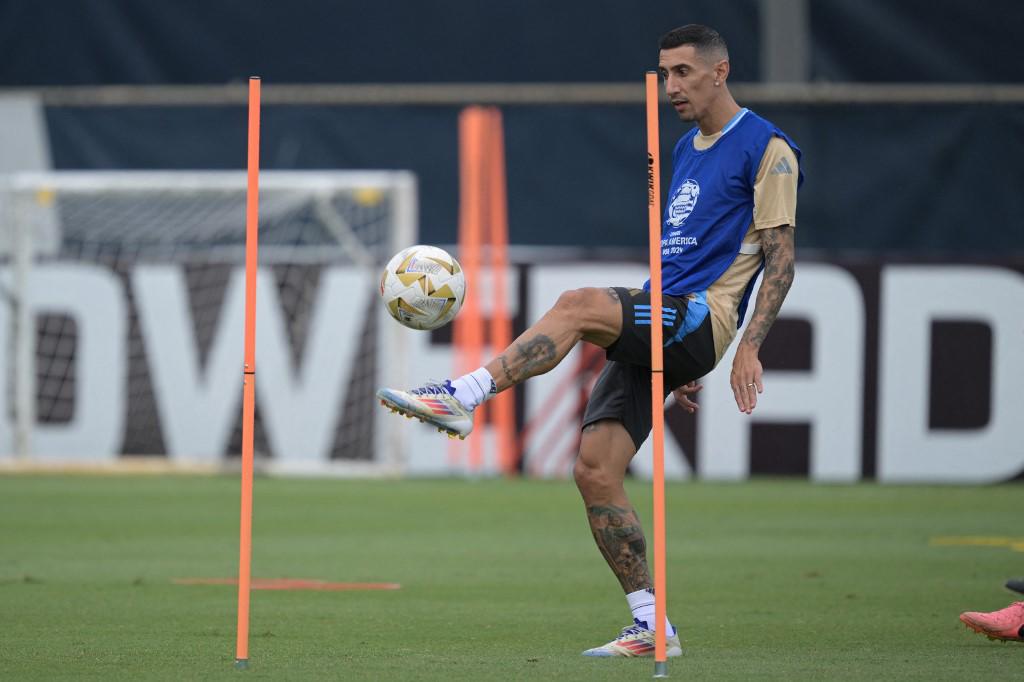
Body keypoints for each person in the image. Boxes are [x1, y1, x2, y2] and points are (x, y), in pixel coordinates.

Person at [377, 23, 802, 658]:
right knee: (594, 471)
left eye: (683, 72)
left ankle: (461, 394)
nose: (671, 86)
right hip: (668, 317)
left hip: (699, 315)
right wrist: (675, 357)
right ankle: (651, 624)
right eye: (663, 74)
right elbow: (679, 255)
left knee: (575, 304)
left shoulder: (768, 148)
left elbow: (781, 259)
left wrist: (743, 344)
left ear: (721, 70)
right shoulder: (685, 147)